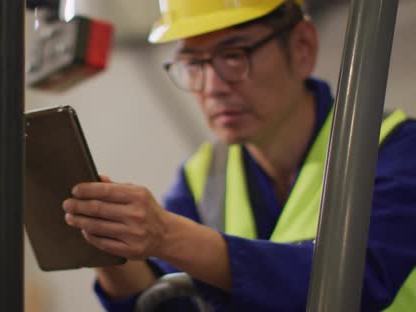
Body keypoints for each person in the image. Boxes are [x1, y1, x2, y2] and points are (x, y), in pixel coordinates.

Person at [61, 0, 416, 311]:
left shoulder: (395, 150)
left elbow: (355, 284)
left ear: (303, 47)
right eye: (194, 65)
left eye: (233, 56)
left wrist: (168, 236)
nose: (213, 86)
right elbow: (171, 303)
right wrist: (103, 244)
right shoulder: (203, 175)